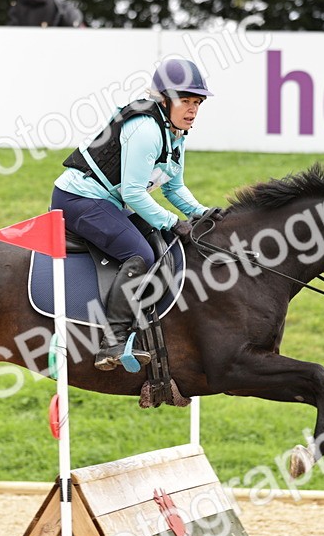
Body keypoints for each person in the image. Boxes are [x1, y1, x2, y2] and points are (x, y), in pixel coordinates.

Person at [53, 58, 223, 371]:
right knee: (140, 254)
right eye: (185, 101)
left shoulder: (175, 133)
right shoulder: (146, 129)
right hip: (78, 200)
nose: (192, 110)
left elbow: (174, 188)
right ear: (164, 100)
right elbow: (133, 193)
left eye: (197, 103)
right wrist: (173, 221)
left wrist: (202, 213)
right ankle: (112, 341)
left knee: (163, 241)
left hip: (108, 202)